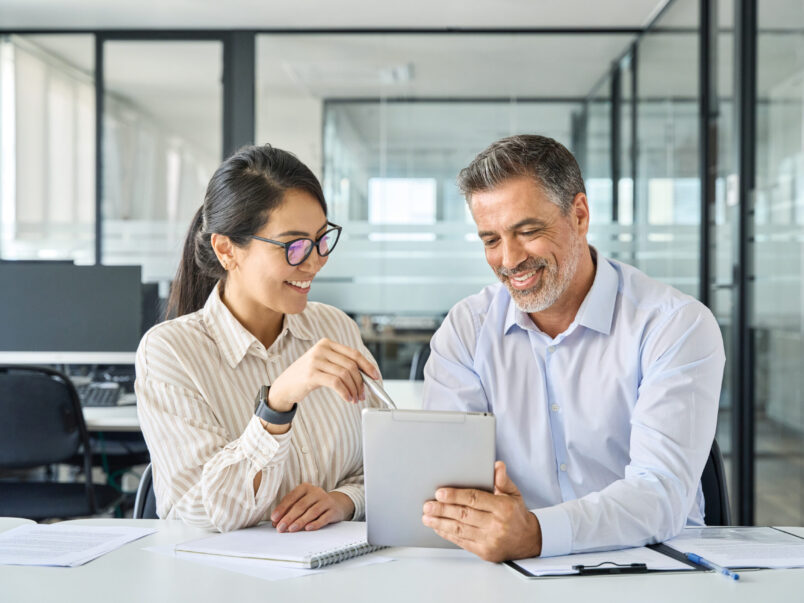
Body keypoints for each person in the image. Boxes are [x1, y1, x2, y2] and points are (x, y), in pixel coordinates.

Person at [421, 134, 725, 562]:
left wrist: (537, 532)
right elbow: (444, 482)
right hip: (509, 570)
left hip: (654, 565)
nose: (509, 260)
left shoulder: (674, 325)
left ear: (579, 215)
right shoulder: (467, 330)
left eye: (527, 231)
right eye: (491, 241)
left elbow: (660, 493)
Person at [135, 144, 383, 533]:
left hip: (334, 571)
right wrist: (276, 404)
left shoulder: (335, 328)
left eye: (321, 239)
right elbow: (201, 510)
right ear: (227, 250)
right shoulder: (170, 352)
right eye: (294, 245)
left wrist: (344, 501)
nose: (316, 261)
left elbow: (391, 464)